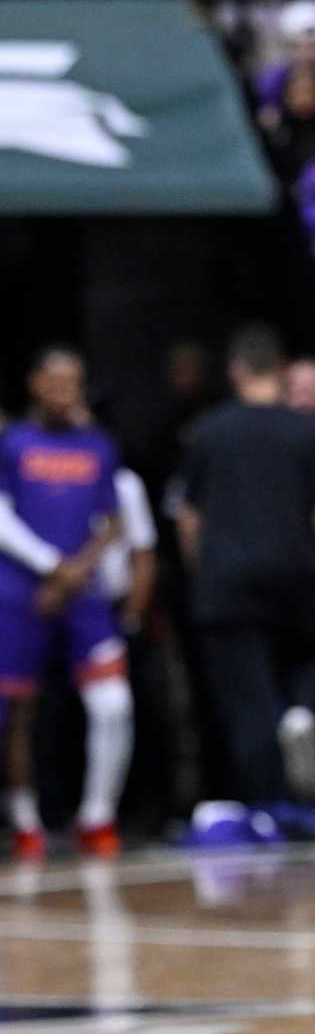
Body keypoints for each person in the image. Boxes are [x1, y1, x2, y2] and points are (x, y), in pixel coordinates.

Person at [172, 325, 315, 816]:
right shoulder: (311, 433)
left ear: (235, 370)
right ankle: (300, 718)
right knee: (303, 676)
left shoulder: (207, 432)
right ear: (282, 370)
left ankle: (268, 808)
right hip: (295, 580)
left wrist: (204, 570)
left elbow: (189, 519)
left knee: (246, 704)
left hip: (227, 583)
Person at [0, 349, 136, 861]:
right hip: (22, 593)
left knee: (113, 704)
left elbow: (113, 520)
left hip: (86, 596)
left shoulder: (100, 446)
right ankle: (24, 820)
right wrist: (49, 565)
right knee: (15, 712)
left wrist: (77, 570)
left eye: (73, 382)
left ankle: (97, 817)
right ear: (35, 382)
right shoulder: (13, 443)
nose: (64, 391)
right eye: (55, 381)